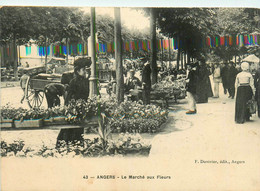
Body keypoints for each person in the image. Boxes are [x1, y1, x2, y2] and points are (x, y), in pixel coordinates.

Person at [56, 58, 91, 147]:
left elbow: (86, 94)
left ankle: (77, 143)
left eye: (85, 70)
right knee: (70, 127)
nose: (84, 72)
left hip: (81, 107)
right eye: (83, 70)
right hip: (74, 107)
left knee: (79, 127)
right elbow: (69, 96)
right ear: (78, 71)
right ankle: (65, 143)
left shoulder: (86, 81)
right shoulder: (74, 82)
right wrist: (71, 107)